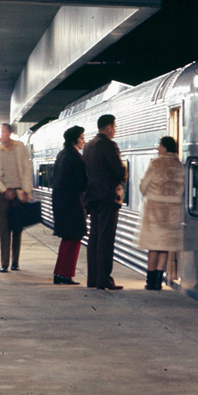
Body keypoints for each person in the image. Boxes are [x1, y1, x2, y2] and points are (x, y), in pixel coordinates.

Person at [83, 114, 127, 290]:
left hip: (93, 196)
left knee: (94, 237)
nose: (115, 130)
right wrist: (124, 173)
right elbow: (119, 171)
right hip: (108, 197)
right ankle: (104, 279)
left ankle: (92, 279)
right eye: (114, 127)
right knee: (105, 239)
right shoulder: (109, 145)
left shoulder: (88, 145)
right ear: (108, 127)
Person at [137, 136, 185, 290]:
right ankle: (158, 282)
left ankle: (149, 282)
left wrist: (151, 196)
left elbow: (143, 185)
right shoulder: (180, 166)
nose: (158, 148)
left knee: (153, 248)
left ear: (165, 147)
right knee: (164, 248)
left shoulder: (156, 164)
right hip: (172, 212)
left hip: (154, 211)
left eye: (160, 146)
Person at [0, 123, 33, 273]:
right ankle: (4, 263)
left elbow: (27, 169)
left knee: (17, 228)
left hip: (18, 193)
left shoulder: (20, 148)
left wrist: (26, 190)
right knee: (4, 229)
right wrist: (4, 189)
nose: (1, 134)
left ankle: (15, 262)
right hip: (3, 194)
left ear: (9, 133)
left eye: (3, 131)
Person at [51, 126, 87, 285]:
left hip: (62, 202)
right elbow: (81, 183)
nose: (84, 141)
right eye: (82, 138)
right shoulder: (74, 156)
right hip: (72, 203)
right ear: (75, 139)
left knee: (68, 238)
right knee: (74, 237)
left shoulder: (62, 154)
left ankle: (60, 273)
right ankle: (64, 274)